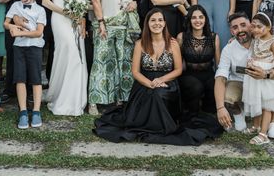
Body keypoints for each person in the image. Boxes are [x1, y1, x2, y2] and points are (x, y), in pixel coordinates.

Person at [93, 8, 222, 145]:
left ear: (165, 23)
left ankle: (162, 125)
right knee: (152, 94)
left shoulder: (172, 44)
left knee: (159, 94)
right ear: (147, 23)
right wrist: (150, 84)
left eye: (160, 20)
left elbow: (178, 70)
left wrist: (161, 80)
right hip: (144, 82)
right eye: (153, 20)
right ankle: (150, 125)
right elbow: (135, 72)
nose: (157, 23)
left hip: (168, 81)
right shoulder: (140, 44)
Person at [214, 12, 274, 138]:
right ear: (231, 31)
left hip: (264, 82)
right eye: (235, 27)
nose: (240, 30)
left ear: (251, 25)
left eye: (243, 25)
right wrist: (220, 108)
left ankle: (273, 123)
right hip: (241, 83)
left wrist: (266, 74)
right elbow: (220, 76)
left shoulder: (265, 41)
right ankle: (239, 115)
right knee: (227, 97)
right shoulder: (228, 49)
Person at [89, 0, 137, 115]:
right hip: (105, 26)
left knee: (122, 63)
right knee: (101, 64)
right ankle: (94, 102)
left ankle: (119, 98)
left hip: (123, 29)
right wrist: (101, 22)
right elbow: (95, 1)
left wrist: (134, 4)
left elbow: (129, 3)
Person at [42, 0, 88, 116]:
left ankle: (74, 98)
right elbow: (46, 1)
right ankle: (60, 97)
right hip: (60, 19)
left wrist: (81, 18)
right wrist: (67, 12)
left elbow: (82, 1)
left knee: (78, 55)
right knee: (67, 52)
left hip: (76, 22)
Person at [4, 0, 46, 129]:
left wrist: (21, 32)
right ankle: (22, 111)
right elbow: (6, 23)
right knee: (20, 78)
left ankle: (36, 111)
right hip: (19, 47)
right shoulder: (15, 7)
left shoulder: (40, 10)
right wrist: (14, 26)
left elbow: (38, 32)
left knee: (35, 79)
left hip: (35, 47)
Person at [242, 12, 274, 145]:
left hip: (267, 75)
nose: (255, 29)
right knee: (256, 100)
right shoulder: (256, 38)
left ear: (268, 27)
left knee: (267, 104)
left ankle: (263, 134)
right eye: (253, 26)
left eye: (259, 26)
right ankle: (256, 126)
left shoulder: (273, 43)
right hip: (255, 74)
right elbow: (251, 51)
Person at [0, 0, 30, 102]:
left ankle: (29, 88)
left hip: (30, 17)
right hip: (11, 18)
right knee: (12, 52)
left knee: (28, 53)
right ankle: (10, 89)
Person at [177, 5, 220, 116]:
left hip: (209, 74)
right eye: (194, 17)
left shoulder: (214, 37)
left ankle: (209, 113)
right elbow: (179, 63)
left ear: (205, 19)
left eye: (201, 17)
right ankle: (191, 113)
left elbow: (218, 64)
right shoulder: (181, 37)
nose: (198, 20)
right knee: (196, 86)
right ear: (189, 20)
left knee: (213, 85)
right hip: (189, 75)